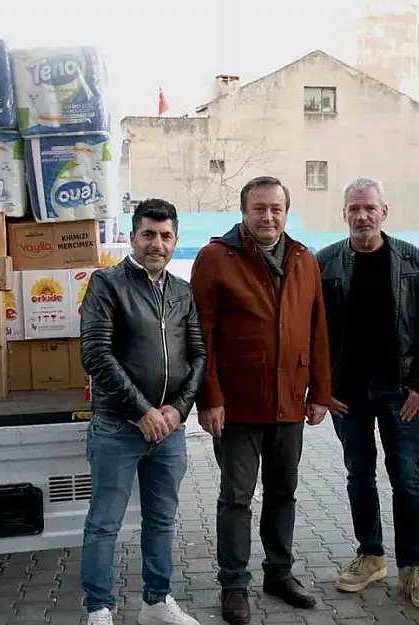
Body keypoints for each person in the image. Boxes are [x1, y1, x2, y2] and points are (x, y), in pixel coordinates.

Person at [190, 176, 332, 625]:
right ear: (243, 212)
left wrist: (321, 393)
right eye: (259, 209)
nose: (268, 216)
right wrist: (209, 398)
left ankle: (279, 574)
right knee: (236, 497)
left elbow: (318, 329)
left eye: (276, 208)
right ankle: (234, 584)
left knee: (283, 493)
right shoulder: (216, 258)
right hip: (236, 405)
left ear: (286, 212)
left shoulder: (304, 259)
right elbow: (201, 336)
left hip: (289, 401)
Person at [315, 177, 419, 611]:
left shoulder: (408, 258)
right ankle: (370, 555)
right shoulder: (327, 261)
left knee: (407, 478)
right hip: (346, 393)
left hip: (399, 391)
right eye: (354, 208)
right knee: (359, 475)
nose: (362, 215)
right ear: (344, 214)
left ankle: (412, 567)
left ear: (384, 212)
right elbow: (313, 331)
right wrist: (321, 385)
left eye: (370, 208)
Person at [79, 199, 207, 625]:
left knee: (162, 521)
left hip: (169, 431)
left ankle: (156, 602)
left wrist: (177, 411)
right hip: (119, 427)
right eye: (148, 234)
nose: (157, 243)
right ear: (133, 237)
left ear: (175, 241)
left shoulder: (182, 292)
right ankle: (99, 608)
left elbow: (199, 355)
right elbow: (95, 353)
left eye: (166, 235)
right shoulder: (107, 284)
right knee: (104, 523)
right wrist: (142, 411)